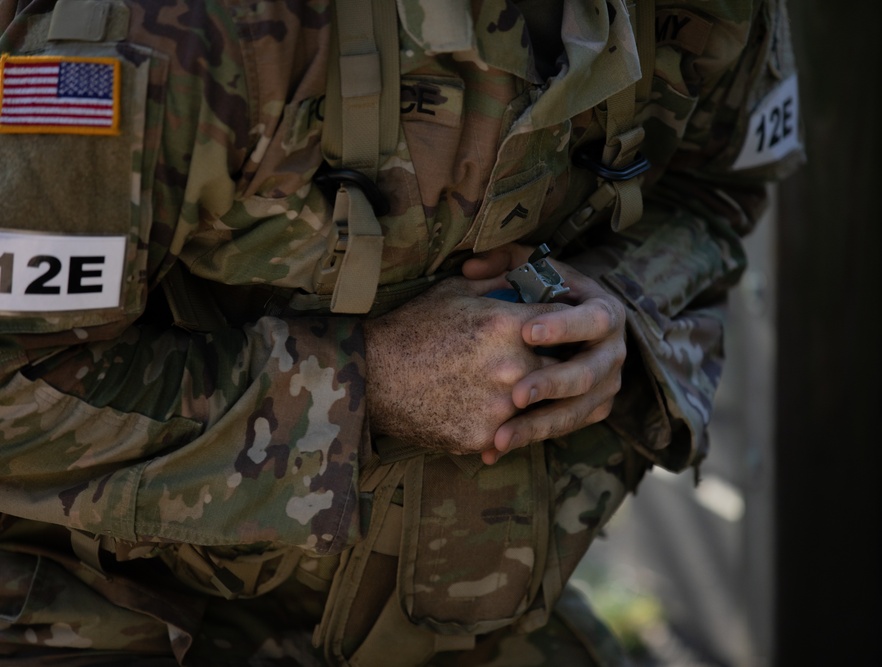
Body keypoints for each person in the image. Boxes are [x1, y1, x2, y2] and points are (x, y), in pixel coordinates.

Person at [0, 0, 803, 664]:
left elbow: (719, 192)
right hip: (97, 609)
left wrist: (615, 304)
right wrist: (365, 386)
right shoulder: (183, 26)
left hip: (448, 617)